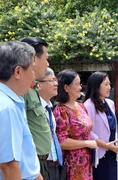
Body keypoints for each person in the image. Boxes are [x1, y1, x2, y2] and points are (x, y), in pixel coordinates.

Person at [0, 41, 42, 179]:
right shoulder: (7, 108)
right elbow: (8, 166)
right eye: (32, 69)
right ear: (18, 71)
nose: (33, 76)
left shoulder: (10, 101)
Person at [53, 69, 97, 180]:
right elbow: (61, 141)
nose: (80, 88)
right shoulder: (61, 111)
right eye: (77, 84)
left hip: (87, 162)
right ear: (66, 88)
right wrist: (86, 143)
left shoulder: (81, 106)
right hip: (72, 164)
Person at [83, 72, 118, 180]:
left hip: (111, 152)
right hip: (98, 152)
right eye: (106, 84)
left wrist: (117, 142)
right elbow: (88, 131)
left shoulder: (110, 103)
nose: (109, 87)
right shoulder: (89, 105)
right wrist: (105, 145)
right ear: (96, 86)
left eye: (109, 84)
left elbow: (112, 128)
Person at [20, 37, 51, 180]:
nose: (48, 63)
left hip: (41, 161)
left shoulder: (32, 87)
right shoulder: (22, 89)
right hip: (31, 162)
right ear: (34, 59)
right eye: (46, 58)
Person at [37, 67, 63, 180]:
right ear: (39, 84)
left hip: (56, 164)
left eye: (55, 80)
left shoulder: (49, 108)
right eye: (51, 80)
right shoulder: (34, 110)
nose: (56, 84)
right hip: (43, 164)